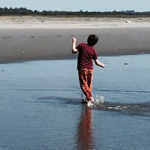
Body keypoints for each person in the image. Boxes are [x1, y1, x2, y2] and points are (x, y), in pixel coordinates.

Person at [72, 34, 105, 106]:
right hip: (90, 69)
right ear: (95, 43)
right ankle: (88, 98)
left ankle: (89, 98)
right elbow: (97, 62)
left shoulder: (82, 45)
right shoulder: (93, 51)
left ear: (87, 39)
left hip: (82, 68)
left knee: (83, 85)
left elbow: (74, 51)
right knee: (89, 85)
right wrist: (102, 65)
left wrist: (74, 42)